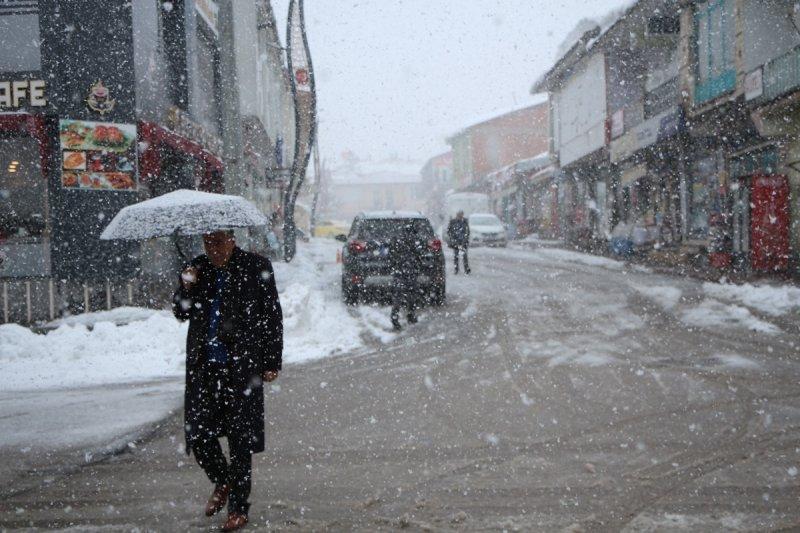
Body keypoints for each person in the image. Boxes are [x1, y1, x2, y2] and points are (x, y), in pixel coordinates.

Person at [172, 230, 283, 532]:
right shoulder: (197, 268)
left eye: (219, 242)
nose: (213, 249)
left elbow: (271, 314)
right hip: (204, 368)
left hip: (241, 368)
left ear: (232, 240)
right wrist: (186, 286)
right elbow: (180, 312)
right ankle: (223, 479)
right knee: (199, 435)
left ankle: (238, 508)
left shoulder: (255, 266)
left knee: (240, 441)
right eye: (208, 243)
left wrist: (272, 361)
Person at [389, 223, 424, 331]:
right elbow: (419, 256)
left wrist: (395, 266)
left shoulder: (396, 240)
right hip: (410, 271)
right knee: (411, 295)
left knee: (398, 297)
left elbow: (391, 256)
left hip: (399, 272)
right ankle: (410, 316)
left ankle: (395, 319)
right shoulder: (415, 241)